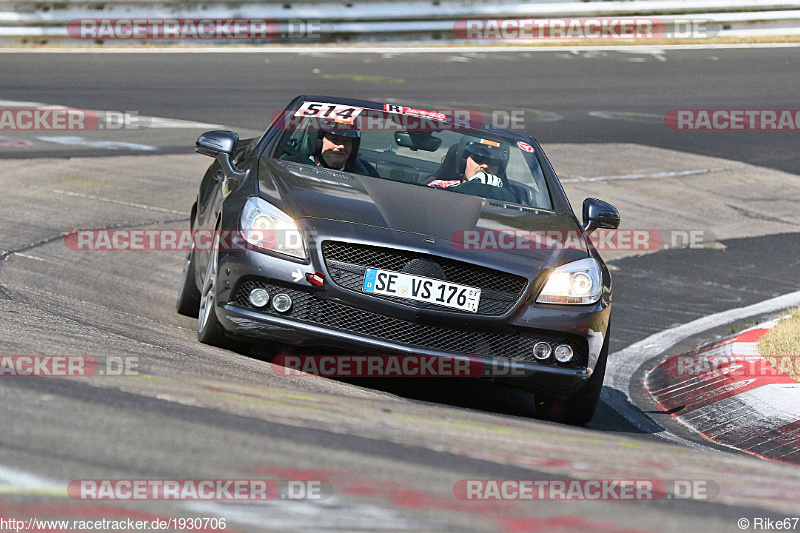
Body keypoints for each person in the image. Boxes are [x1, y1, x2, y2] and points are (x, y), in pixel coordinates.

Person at [427, 141, 508, 189]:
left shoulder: (506, 199)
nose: (485, 165)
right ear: (463, 161)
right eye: (478, 158)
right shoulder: (439, 187)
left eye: (493, 161)